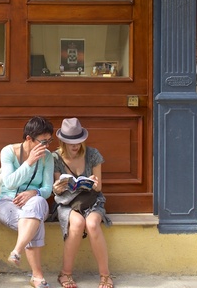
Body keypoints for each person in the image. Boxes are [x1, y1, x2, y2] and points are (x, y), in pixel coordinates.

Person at [52, 118, 113, 288]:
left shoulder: (92, 154)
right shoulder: (55, 157)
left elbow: (99, 186)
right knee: (77, 224)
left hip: (91, 200)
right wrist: (57, 188)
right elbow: (58, 191)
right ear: (63, 141)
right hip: (67, 203)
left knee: (92, 224)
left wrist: (93, 182)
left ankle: (105, 275)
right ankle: (65, 273)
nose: (75, 146)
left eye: (78, 142)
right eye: (71, 142)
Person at [0, 116, 54, 288]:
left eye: (49, 141)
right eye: (43, 142)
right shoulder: (8, 152)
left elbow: (47, 189)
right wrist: (29, 162)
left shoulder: (48, 157)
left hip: (35, 202)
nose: (47, 146)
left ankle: (17, 250)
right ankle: (37, 276)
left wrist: (34, 192)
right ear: (29, 138)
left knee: (37, 203)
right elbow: (10, 183)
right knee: (33, 221)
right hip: (8, 201)